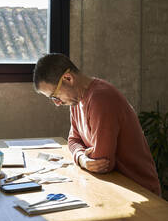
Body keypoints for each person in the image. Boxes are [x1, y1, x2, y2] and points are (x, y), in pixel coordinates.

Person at [33, 53, 161, 196]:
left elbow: (102, 163)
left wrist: (86, 158)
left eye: (54, 96)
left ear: (68, 78)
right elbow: (73, 140)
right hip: (114, 186)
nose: (57, 103)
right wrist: (82, 158)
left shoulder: (101, 98)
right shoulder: (76, 100)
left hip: (139, 191)